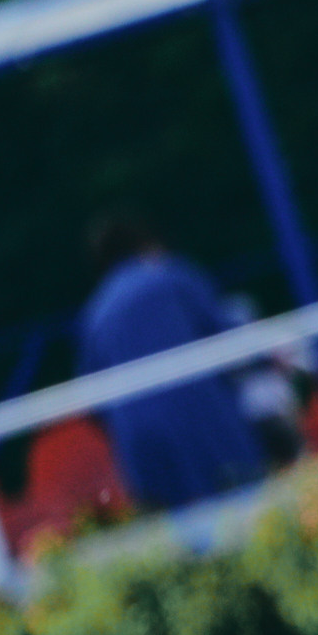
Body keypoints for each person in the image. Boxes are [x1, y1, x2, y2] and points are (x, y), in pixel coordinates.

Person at [76, 216, 268, 510]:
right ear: (147, 244)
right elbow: (235, 343)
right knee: (255, 520)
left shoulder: (94, 314)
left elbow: (92, 403)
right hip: (211, 432)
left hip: (144, 455)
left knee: (184, 544)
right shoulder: (172, 276)